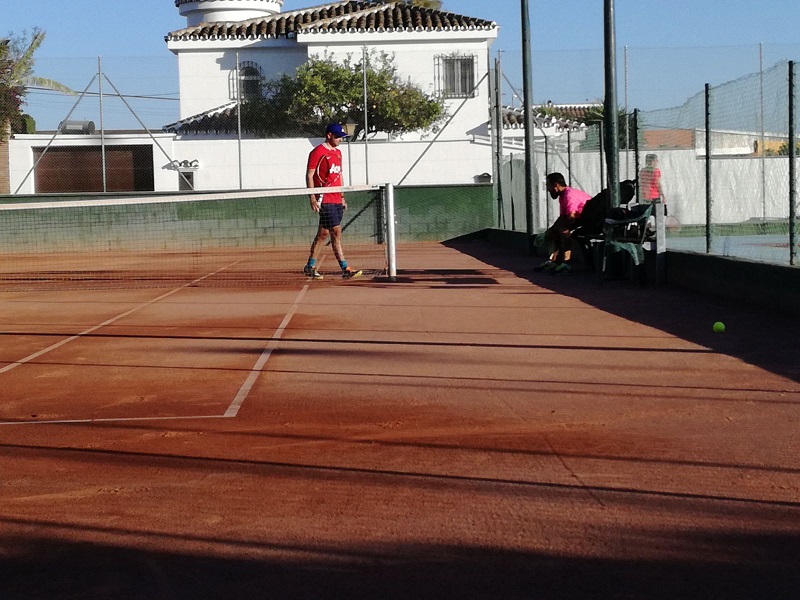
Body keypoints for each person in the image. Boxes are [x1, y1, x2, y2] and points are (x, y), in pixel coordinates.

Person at [303, 123, 362, 280]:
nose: (340, 140)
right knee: (336, 232)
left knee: (323, 234)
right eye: (337, 137)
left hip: (336, 199)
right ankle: (345, 268)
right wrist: (312, 197)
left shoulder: (338, 153)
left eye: (341, 137)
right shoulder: (317, 152)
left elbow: (339, 175)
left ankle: (310, 265)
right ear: (329, 135)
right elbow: (310, 174)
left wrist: (342, 196)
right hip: (325, 198)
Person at [533, 172, 592, 275]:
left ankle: (566, 264)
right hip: (581, 220)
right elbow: (562, 217)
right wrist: (549, 231)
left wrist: (557, 229)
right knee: (555, 231)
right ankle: (554, 262)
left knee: (563, 231)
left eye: (548, 185)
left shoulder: (569, 195)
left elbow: (571, 217)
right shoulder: (562, 196)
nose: (547, 189)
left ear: (556, 185)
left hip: (591, 221)